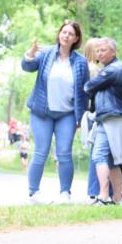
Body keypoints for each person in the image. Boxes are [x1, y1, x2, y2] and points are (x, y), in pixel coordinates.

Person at [21, 21, 89, 203]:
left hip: (66, 114)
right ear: (59, 34)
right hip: (42, 112)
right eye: (63, 32)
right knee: (41, 152)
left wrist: (80, 118)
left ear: (76, 39)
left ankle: (65, 193)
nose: (66, 36)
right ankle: (34, 193)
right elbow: (27, 67)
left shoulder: (81, 62)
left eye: (70, 34)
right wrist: (30, 54)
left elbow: (83, 92)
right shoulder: (46, 54)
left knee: (65, 153)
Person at [84, 38, 122, 205]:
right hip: (112, 118)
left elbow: (89, 86)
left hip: (110, 118)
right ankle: (117, 199)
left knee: (99, 155)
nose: (99, 53)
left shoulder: (112, 70)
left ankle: (103, 197)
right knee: (114, 160)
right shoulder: (113, 68)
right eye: (97, 51)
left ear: (113, 52)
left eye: (103, 50)